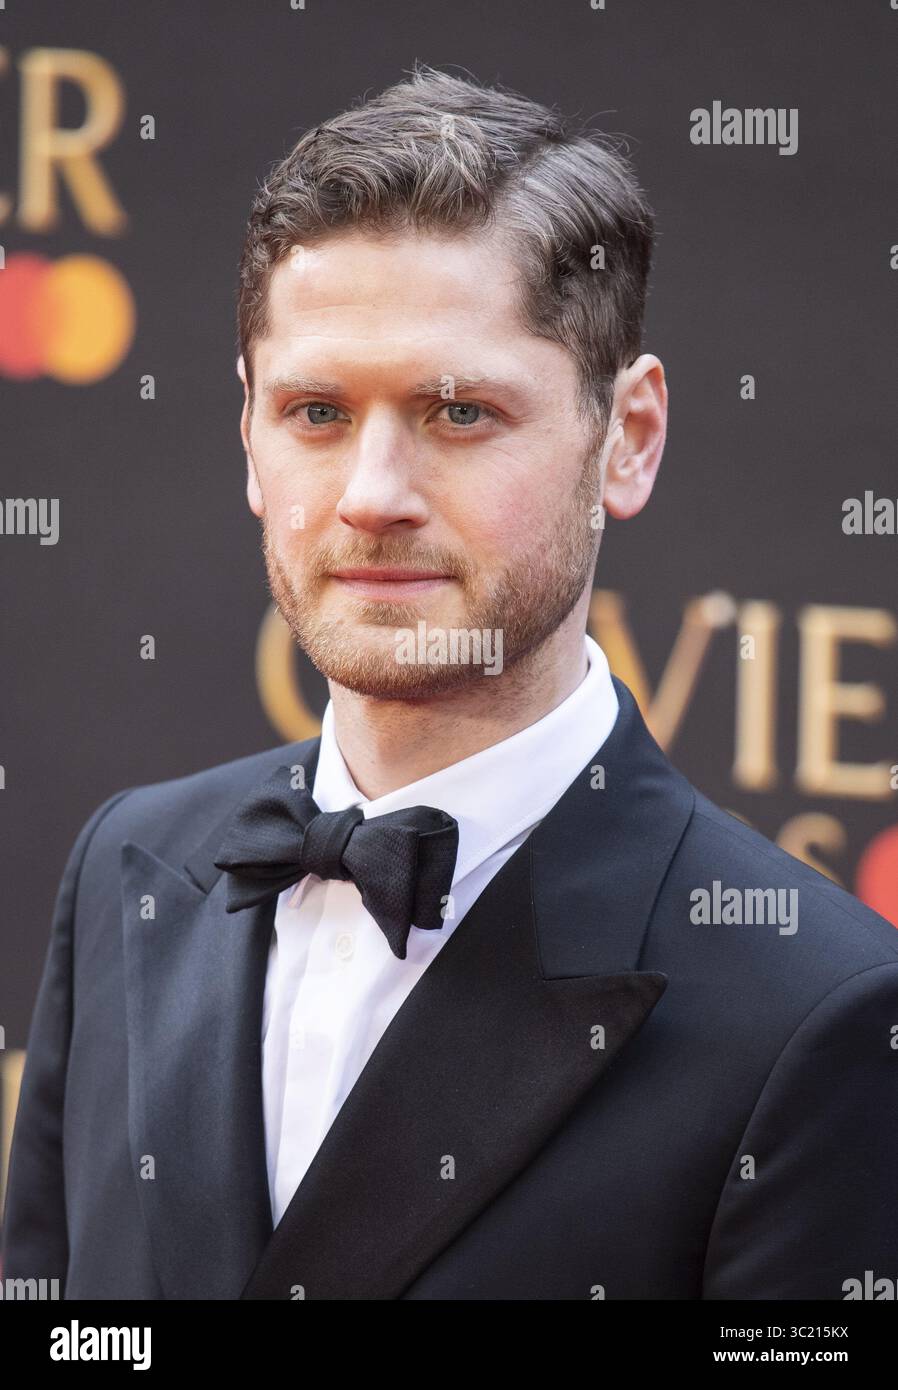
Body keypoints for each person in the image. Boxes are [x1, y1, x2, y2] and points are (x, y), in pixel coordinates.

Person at [3, 63, 897, 1301]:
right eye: (317, 410)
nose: (372, 494)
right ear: (249, 431)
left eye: (460, 412)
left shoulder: (820, 1013)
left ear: (626, 437)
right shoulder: (129, 867)